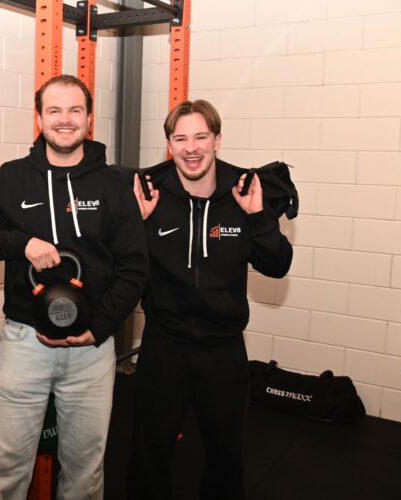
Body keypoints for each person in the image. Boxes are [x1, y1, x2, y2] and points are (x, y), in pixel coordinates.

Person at [0, 74, 149, 499]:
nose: (65, 119)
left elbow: (135, 269)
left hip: (92, 349)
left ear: (89, 118)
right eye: (54, 110)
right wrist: (22, 243)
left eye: (74, 110)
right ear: (39, 118)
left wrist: (99, 327)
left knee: (85, 474)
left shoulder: (113, 186)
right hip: (24, 343)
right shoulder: (11, 178)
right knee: (2, 470)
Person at [128, 99, 294, 500]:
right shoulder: (149, 193)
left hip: (223, 350)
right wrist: (137, 225)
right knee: (149, 456)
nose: (191, 148)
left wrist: (258, 216)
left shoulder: (243, 192)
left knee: (226, 459)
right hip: (164, 346)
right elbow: (122, 267)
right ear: (169, 145)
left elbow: (277, 265)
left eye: (201, 137)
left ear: (217, 140)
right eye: (180, 138)